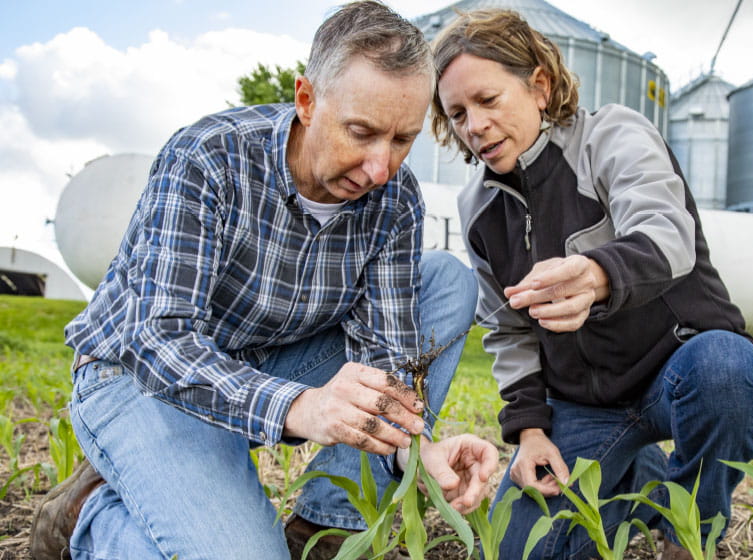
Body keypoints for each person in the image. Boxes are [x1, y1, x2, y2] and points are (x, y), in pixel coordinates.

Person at [29, 2, 499, 559]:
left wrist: (411, 453)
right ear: (306, 100)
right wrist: (301, 407)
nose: (381, 168)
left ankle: (325, 525)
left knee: (445, 281)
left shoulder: (394, 200)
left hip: (268, 366)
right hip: (138, 377)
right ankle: (91, 514)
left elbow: (390, 356)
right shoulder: (210, 157)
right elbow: (159, 338)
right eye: (361, 132)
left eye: (402, 140)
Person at [430, 9, 753, 560]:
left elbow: (667, 231)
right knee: (523, 552)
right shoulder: (478, 210)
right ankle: (638, 483)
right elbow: (508, 332)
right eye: (458, 113)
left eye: (488, 101)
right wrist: (530, 432)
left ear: (539, 86)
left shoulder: (611, 135)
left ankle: (688, 531)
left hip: (676, 369)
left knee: (727, 370)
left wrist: (598, 273)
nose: (475, 125)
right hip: (583, 405)